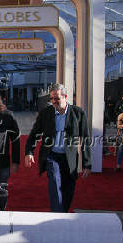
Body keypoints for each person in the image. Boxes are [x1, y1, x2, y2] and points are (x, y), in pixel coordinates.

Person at [25, 83, 91, 213]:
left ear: (65, 97)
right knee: (55, 182)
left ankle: (63, 213)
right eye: (52, 99)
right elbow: (35, 133)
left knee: (68, 189)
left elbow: (85, 138)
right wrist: (29, 151)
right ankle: (57, 215)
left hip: (69, 158)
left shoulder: (78, 113)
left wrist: (87, 163)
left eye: (57, 98)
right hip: (51, 155)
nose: (54, 102)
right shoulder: (46, 113)